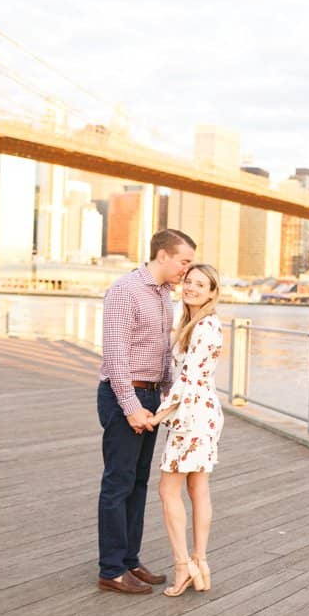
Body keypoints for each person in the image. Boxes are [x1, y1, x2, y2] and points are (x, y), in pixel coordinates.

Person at [96, 229, 197, 594]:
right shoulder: (126, 291)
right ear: (163, 255)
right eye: (184, 262)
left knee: (138, 483)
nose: (187, 270)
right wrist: (131, 407)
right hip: (126, 397)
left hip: (151, 398)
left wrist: (168, 400)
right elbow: (116, 356)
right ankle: (111, 569)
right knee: (118, 482)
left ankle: (129, 560)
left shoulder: (163, 296)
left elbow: (161, 356)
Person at [148, 263, 224, 596]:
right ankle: (200, 562)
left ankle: (183, 566)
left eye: (200, 284)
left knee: (168, 490)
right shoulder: (195, 323)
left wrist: (157, 414)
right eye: (189, 281)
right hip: (201, 413)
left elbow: (189, 378)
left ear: (211, 292)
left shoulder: (205, 326)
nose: (191, 287)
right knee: (198, 489)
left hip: (190, 415)